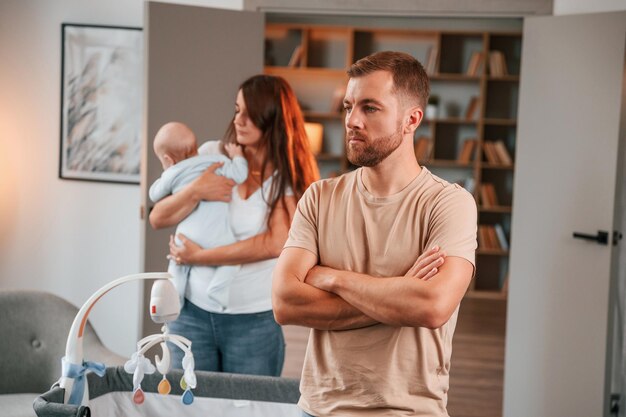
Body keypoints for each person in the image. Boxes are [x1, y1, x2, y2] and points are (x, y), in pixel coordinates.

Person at [272, 51, 477, 416]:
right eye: (349, 107)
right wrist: (398, 292)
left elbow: (431, 307)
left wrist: (330, 277)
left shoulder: (450, 204)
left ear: (411, 119)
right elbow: (285, 302)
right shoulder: (320, 198)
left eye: (370, 108)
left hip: (407, 410)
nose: (352, 121)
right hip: (317, 409)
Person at [149, 74, 319, 376]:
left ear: (272, 119)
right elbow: (158, 217)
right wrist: (196, 190)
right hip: (190, 312)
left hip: (252, 320)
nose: (238, 120)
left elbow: (274, 243)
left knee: (247, 406)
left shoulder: (286, 178)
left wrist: (199, 257)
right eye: (236, 109)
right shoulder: (212, 154)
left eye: (248, 113)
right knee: (188, 405)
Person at [149, 121, 248, 311]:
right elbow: (240, 174)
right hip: (217, 237)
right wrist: (237, 157)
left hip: (186, 236)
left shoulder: (173, 173)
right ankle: (218, 290)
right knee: (233, 261)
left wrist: (167, 177)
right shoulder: (216, 161)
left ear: (168, 159)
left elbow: (154, 194)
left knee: (177, 265)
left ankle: (176, 295)